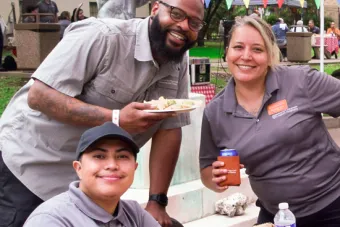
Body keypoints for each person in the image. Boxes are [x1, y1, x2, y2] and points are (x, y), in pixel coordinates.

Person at [0, 0, 205, 226]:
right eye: (176, 14)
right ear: (156, 9)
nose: (184, 25)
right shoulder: (102, 36)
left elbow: (169, 128)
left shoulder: (178, 61)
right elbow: (39, 96)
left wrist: (157, 201)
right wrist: (116, 119)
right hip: (30, 168)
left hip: (90, 186)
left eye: (194, 22)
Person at [199, 16, 340, 227]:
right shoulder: (215, 112)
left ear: (270, 54)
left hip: (332, 206)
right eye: (238, 47)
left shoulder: (301, 81)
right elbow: (206, 169)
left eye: (257, 49)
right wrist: (215, 178)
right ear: (227, 52)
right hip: (277, 217)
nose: (246, 56)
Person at [24, 122, 160, 227]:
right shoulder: (52, 219)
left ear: (134, 168)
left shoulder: (134, 214)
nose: (112, 165)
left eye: (122, 156)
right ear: (79, 168)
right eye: (99, 156)